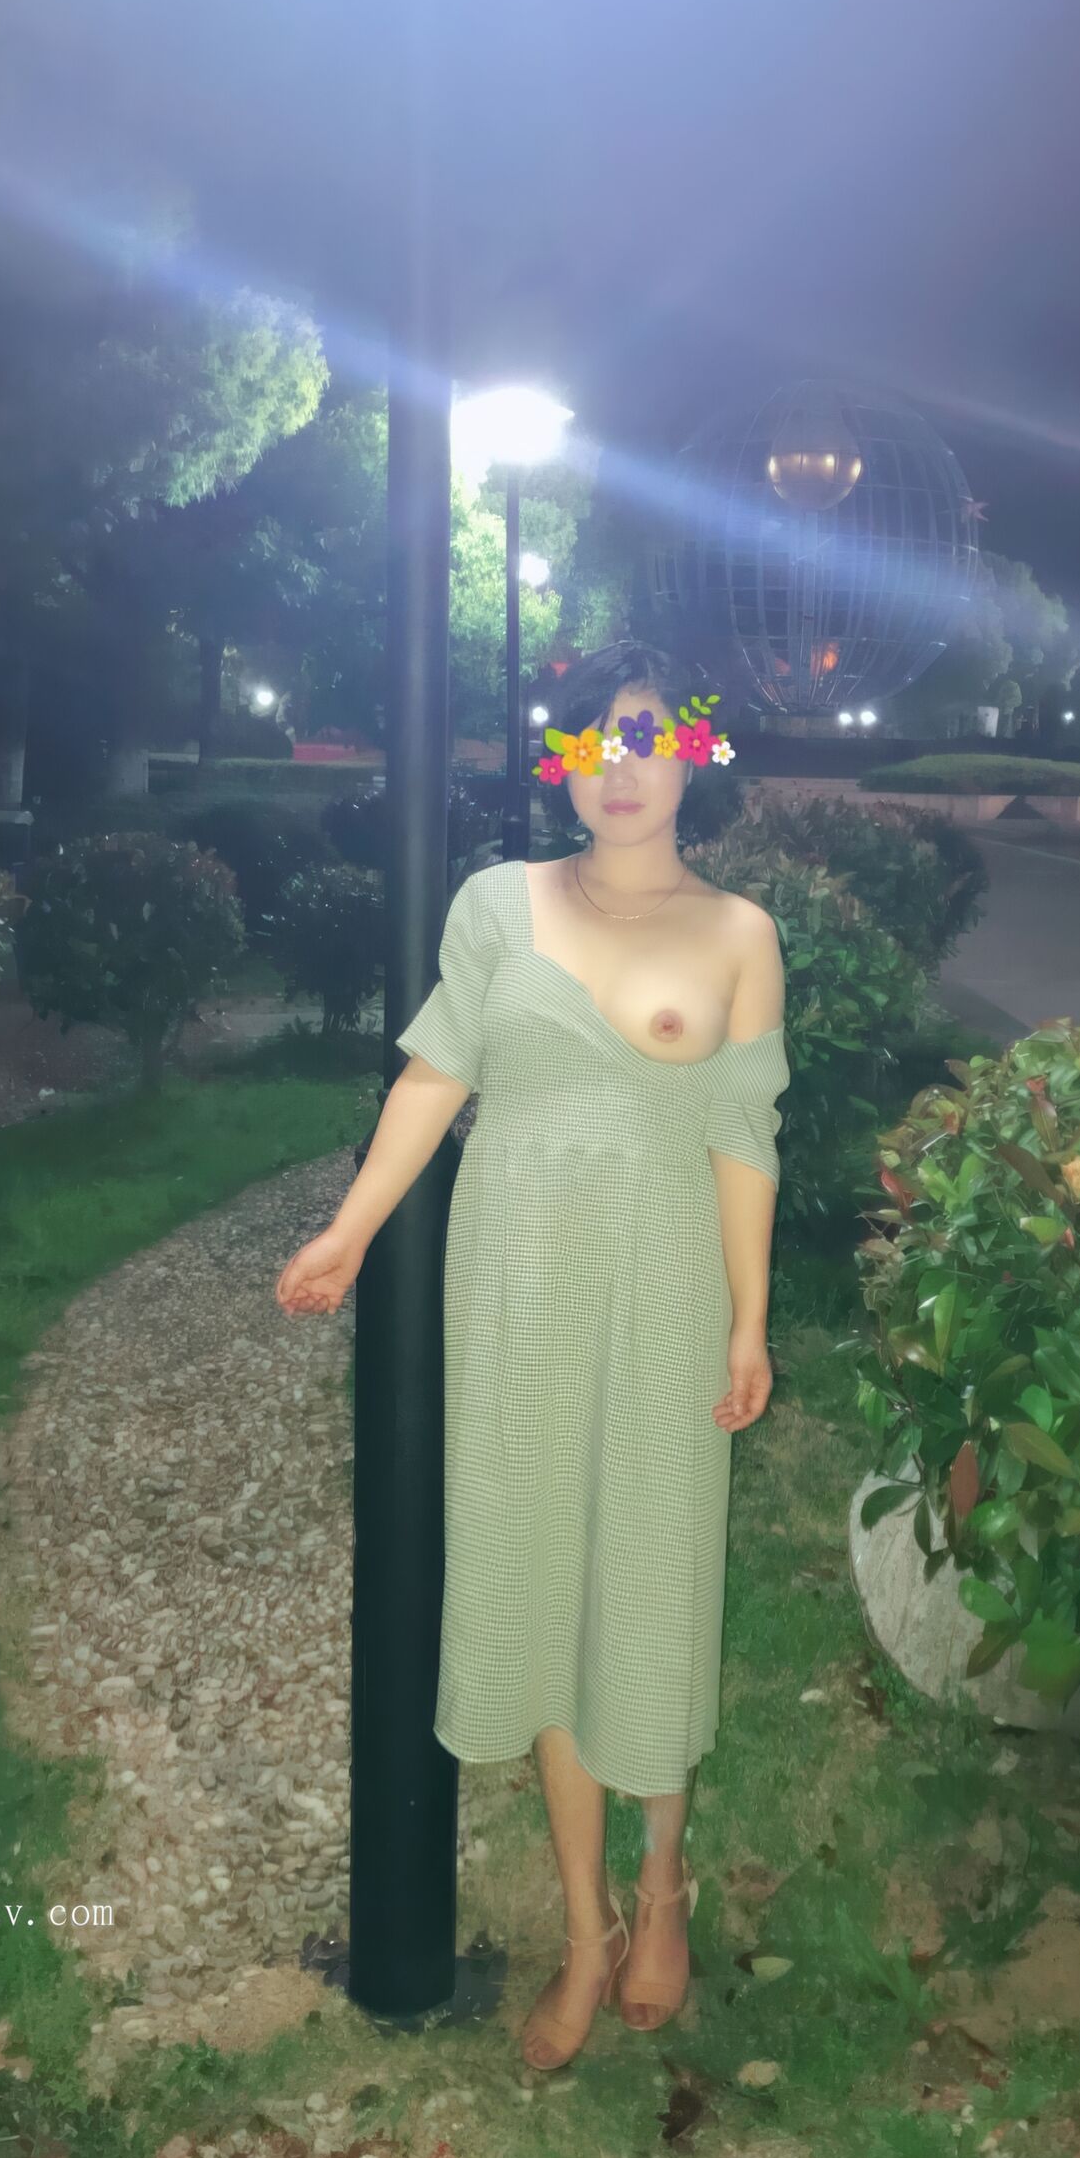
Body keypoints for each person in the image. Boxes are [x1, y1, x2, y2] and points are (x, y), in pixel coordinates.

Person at [275, 639, 790, 2069]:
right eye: (591, 740)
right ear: (561, 763)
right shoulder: (498, 903)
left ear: (695, 757)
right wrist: (349, 1233)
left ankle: (663, 1880)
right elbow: (435, 1075)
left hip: (666, 1297)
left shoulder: (738, 933)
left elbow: (743, 1136)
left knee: (651, 1582)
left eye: (648, 736)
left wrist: (749, 1320)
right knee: (542, 1587)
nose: (619, 768)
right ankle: (584, 1925)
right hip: (517, 1297)